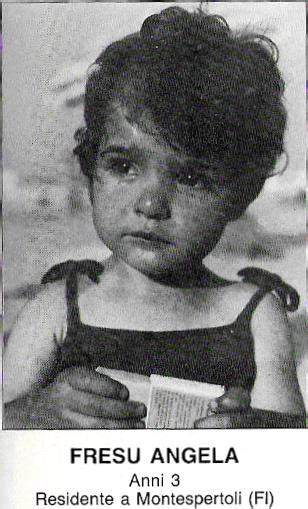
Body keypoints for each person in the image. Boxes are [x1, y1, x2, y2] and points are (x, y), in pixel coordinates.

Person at [4, 6, 305, 429]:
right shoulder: (58, 306)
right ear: (91, 170)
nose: (150, 205)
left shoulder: (255, 314)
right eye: (123, 166)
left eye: (190, 177)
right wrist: (30, 417)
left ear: (242, 193)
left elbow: (295, 459)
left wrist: (263, 433)